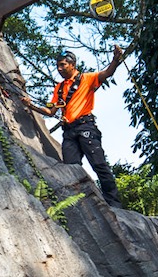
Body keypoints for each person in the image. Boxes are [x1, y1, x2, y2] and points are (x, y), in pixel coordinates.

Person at [22, 47, 124, 208]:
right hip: (69, 131)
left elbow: (107, 73)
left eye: (63, 65)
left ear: (73, 64)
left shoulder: (87, 78)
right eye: (58, 66)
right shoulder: (60, 88)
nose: (59, 69)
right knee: (71, 169)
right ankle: (82, 204)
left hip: (86, 127)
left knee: (99, 165)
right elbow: (51, 110)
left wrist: (115, 60)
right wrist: (31, 105)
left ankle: (114, 203)